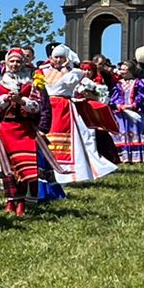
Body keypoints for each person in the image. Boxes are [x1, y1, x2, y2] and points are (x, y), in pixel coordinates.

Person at [40, 45, 116, 184]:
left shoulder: (75, 72)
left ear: (67, 58)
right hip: (47, 106)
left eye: (61, 57)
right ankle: (49, 168)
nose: (58, 60)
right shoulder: (44, 71)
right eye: (56, 57)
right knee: (47, 137)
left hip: (64, 107)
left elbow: (95, 89)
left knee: (66, 138)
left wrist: (93, 95)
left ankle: (69, 172)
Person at [0, 48, 45, 214]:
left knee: (24, 165)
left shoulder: (31, 82)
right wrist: (5, 100)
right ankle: (10, 200)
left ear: (23, 63)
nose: (15, 64)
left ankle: (21, 201)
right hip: (5, 128)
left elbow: (37, 106)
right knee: (8, 167)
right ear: (6, 62)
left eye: (18, 61)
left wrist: (22, 101)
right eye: (12, 61)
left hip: (24, 128)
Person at [109, 65, 144, 164]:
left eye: (124, 69)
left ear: (131, 71)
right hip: (121, 112)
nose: (121, 71)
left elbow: (141, 95)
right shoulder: (118, 83)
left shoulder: (139, 82)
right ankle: (123, 157)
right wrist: (119, 105)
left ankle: (138, 156)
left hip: (135, 111)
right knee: (122, 133)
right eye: (121, 69)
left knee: (136, 132)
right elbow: (114, 97)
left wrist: (134, 105)